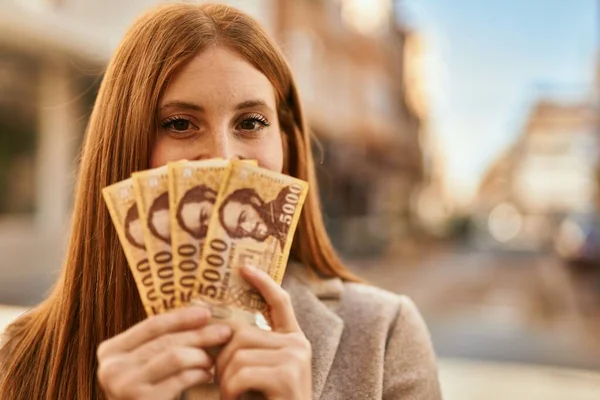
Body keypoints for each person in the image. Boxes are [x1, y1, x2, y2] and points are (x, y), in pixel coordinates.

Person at [0, 3, 442, 399]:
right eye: (179, 124)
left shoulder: (385, 335)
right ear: (124, 146)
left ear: (285, 143)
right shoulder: (23, 358)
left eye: (250, 122)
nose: (224, 158)